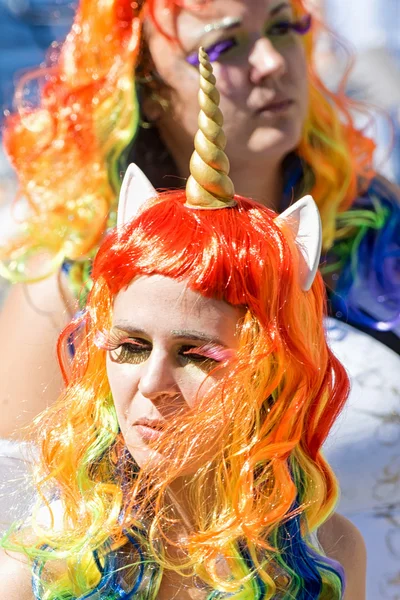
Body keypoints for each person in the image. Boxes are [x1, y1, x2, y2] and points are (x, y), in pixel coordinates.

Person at [0, 0, 398, 595]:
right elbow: (21, 511)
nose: (270, 61)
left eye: (285, 27)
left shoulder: (379, 235)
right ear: (144, 80)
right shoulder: (71, 277)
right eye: (223, 45)